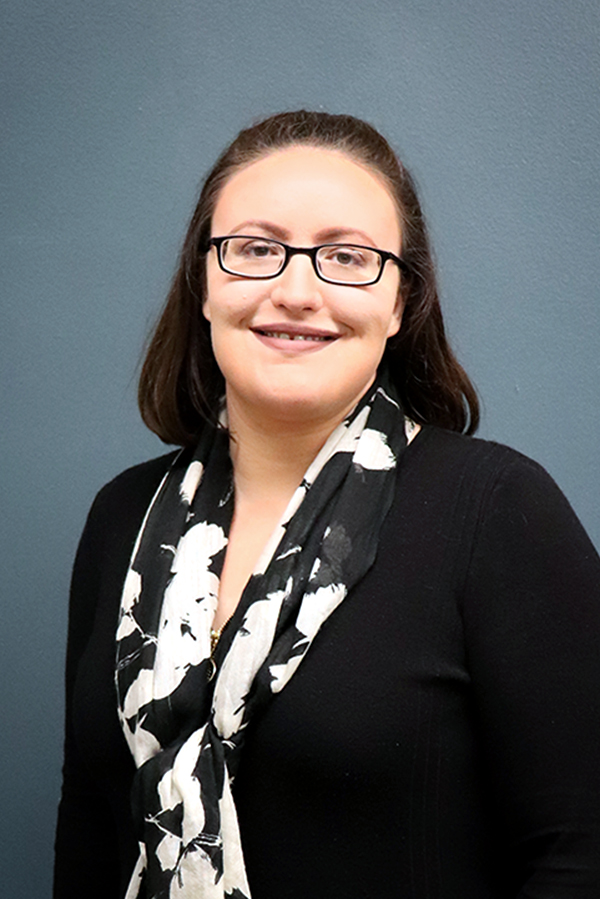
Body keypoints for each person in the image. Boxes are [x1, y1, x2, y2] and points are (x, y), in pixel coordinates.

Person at [54, 110, 600, 899]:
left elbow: (581, 851)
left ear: (400, 303)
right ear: (203, 283)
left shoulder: (497, 510)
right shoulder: (122, 516)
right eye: (254, 249)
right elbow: (90, 828)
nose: (297, 290)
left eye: (347, 257)